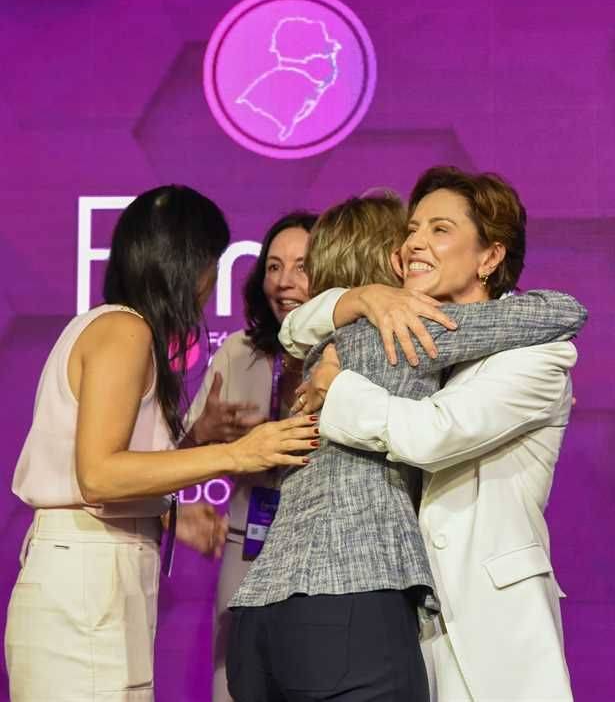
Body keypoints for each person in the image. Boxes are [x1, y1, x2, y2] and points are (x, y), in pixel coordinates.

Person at [225, 191, 585, 702]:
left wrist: (338, 385)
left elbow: (433, 433)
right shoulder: (394, 327)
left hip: (479, 619)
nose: (416, 242)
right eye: (411, 230)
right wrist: (363, 298)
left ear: (489, 256)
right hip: (373, 604)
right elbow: (295, 327)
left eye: (439, 229)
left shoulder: (533, 355)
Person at [4, 185, 318, 702]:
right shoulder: (123, 331)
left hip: (99, 574)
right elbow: (98, 476)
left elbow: (116, 463)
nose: (212, 282)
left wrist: (194, 447)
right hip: (87, 578)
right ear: (185, 264)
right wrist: (237, 453)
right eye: (212, 261)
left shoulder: (119, 329)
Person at [182, 211, 317, 702]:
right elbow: (181, 454)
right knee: (235, 685)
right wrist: (203, 434)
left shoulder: (350, 352)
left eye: (301, 266)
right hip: (247, 547)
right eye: (273, 267)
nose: (284, 281)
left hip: (321, 553)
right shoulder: (238, 352)